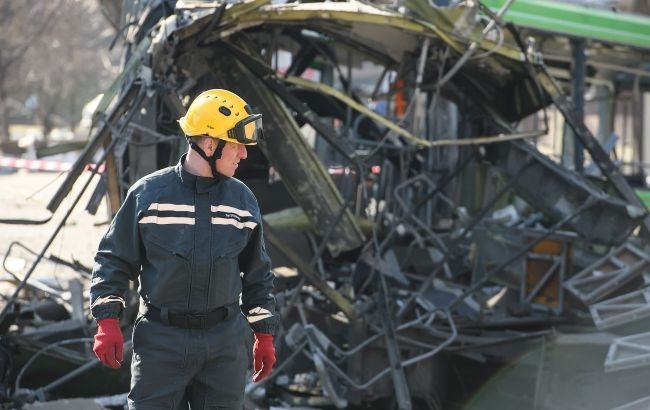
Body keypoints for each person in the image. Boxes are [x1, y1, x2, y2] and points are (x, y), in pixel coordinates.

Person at [89, 89, 279, 409]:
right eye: (236, 146)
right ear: (209, 144)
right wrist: (107, 321)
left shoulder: (242, 201)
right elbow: (114, 259)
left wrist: (264, 334)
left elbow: (258, 275)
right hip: (161, 344)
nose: (244, 155)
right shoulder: (148, 195)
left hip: (224, 347)